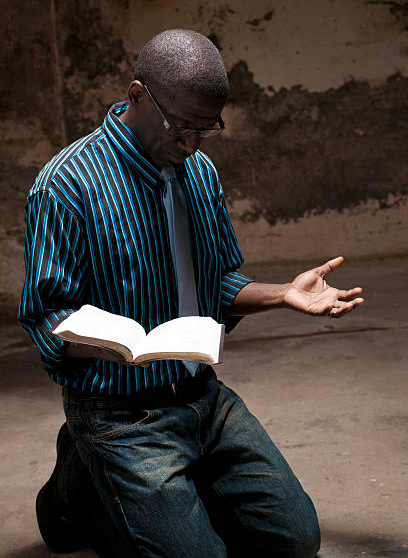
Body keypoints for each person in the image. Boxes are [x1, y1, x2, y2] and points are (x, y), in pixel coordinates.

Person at [18, 29, 364, 558]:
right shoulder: (65, 185)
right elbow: (45, 316)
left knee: (297, 542)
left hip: (204, 398)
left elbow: (215, 284)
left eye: (207, 129)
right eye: (180, 125)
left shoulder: (198, 172)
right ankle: (82, 478)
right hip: (119, 414)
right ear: (137, 96)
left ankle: (101, 472)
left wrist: (283, 295)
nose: (191, 144)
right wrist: (118, 344)